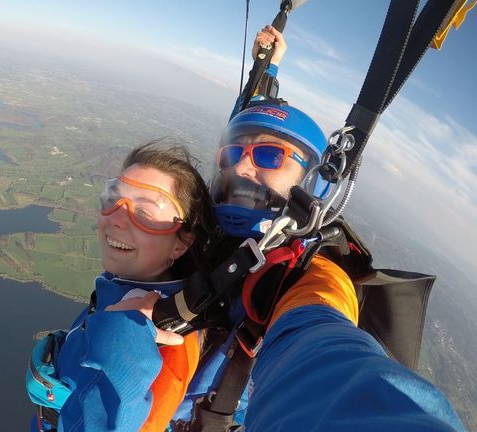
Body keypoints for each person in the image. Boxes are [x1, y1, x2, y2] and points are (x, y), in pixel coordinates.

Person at [121, 27, 466, 432]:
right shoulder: (215, 233)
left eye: (270, 155)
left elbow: (326, 359)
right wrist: (267, 68)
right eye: (232, 153)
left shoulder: (308, 277)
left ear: (312, 183)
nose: (240, 167)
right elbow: (242, 119)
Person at [27, 139, 219, 431]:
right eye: (113, 199)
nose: (116, 218)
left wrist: (122, 345)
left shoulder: (170, 338)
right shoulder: (123, 292)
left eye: (144, 213)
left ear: (180, 244)